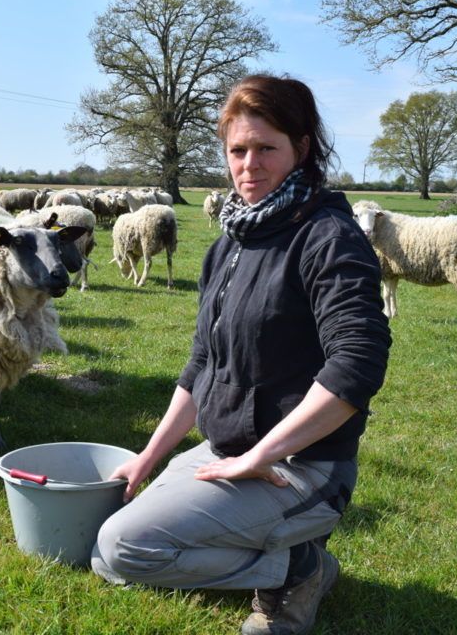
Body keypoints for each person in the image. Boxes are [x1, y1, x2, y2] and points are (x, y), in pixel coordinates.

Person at [91, 74, 391, 635]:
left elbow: (357, 361)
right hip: (228, 447)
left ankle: (297, 571)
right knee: (104, 553)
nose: (249, 165)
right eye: (238, 150)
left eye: (266, 148)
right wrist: (148, 457)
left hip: (301, 465)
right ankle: (285, 554)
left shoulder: (328, 236)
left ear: (301, 148)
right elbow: (202, 363)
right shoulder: (231, 240)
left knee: (125, 548)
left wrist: (261, 455)